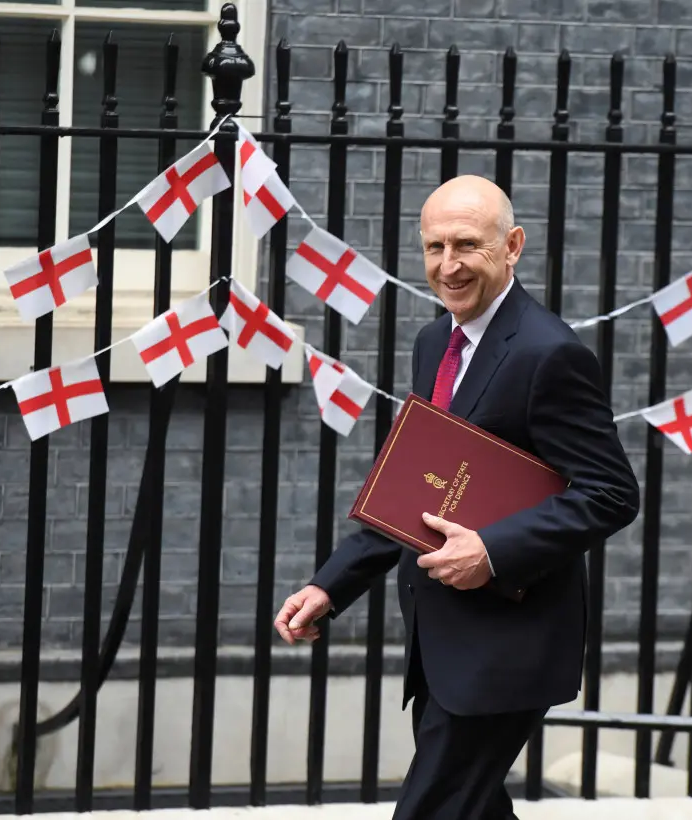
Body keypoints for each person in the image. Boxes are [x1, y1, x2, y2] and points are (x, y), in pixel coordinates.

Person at [273, 174, 640, 819]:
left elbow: (611, 493)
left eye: (467, 245)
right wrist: (332, 585)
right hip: (441, 644)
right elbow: (413, 486)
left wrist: (493, 551)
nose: (448, 266)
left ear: (513, 245)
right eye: (434, 247)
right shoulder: (433, 342)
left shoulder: (548, 352)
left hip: (506, 647)